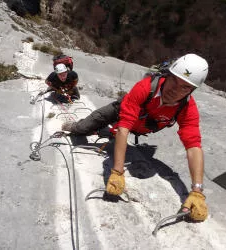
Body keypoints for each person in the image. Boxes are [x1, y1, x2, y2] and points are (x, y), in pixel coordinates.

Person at [62, 53, 209, 221]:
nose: (175, 90)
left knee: (111, 132)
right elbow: (124, 128)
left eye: (184, 87)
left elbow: (193, 146)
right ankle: (74, 126)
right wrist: (117, 171)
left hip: (140, 124)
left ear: (192, 90)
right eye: (174, 80)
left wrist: (197, 191)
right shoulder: (146, 87)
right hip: (120, 112)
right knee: (84, 128)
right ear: (167, 75)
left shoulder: (187, 108)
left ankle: (104, 131)